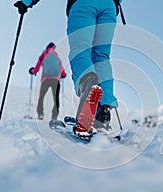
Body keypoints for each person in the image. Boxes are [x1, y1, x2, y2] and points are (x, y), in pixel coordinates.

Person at [66, 0, 123, 135]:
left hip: (83, 3)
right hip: (109, 7)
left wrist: (26, 2)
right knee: (101, 56)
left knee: (81, 50)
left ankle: (88, 84)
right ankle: (103, 111)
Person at [29, 42, 66, 120]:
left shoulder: (44, 54)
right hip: (56, 79)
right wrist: (63, 74)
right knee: (56, 98)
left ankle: (40, 113)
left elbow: (37, 67)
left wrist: (33, 71)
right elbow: (61, 68)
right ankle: (54, 116)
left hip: (46, 79)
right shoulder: (56, 56)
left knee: (41, 96)